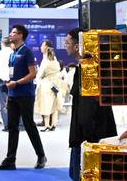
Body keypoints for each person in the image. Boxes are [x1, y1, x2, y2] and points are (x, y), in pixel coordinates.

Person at [64, 28, 116, 181]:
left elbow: (87, 108)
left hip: (88, 134)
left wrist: (86, 137)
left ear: (77, 46)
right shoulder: (87, 66)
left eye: (67, 42)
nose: (65, 45)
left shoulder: (89, 70)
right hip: (85, 133)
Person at [0, 24, 46, 171]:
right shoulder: (12, 53)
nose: (10, 34)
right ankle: (10, 160)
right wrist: (9, 95)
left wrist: (17, 83)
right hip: (13, 95)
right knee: (12, 127)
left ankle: (41, 156)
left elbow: (33, 74)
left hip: (26, 95)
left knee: (29, 125)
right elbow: (11, 76)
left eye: (14, 32)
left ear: (21, 35)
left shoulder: (26, 52)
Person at [34, 45, 64, 132]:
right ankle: (53, 124)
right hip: (56, 85)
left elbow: (40, 75)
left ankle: (46, 125)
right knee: (55, 105)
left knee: (46, 105)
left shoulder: (45, 62)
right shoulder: (56, 62)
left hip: (46, 85)